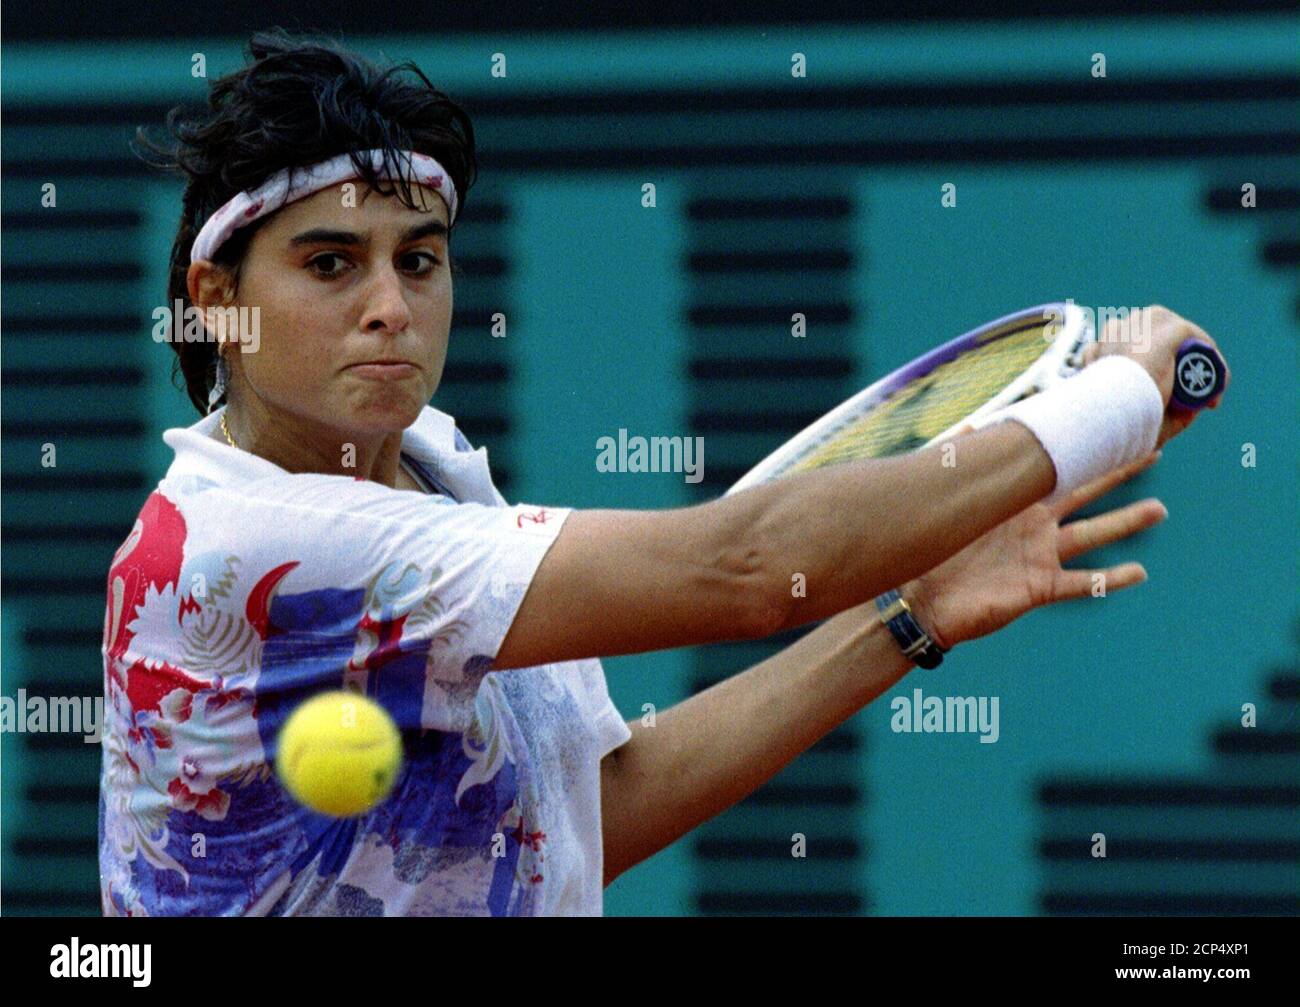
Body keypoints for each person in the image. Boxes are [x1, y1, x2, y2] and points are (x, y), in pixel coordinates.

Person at [100, 29, 1228, 916]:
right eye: (330, 263)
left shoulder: (433, 470)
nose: (390, 305)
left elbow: (586, 816)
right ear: (219, 302)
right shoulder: (250, 546)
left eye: (421, 259)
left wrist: (908, 611)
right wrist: (1127, 397)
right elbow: (748, 566)